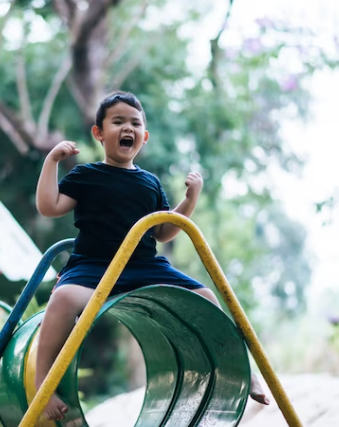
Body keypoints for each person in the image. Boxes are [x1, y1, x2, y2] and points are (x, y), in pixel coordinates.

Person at [35, 91, 270, 421]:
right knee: (61, 299)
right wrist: (52, 162)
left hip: (145, 267)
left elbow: (163, 231)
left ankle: (244, 372)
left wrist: (189, 200)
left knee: (204, 295)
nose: (126, 128)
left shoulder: (149, 182)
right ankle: (42, 384)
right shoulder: (86, 176)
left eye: (134, 123)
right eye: (117, 122)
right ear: (99, 133)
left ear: (143, 137)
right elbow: (49, 207)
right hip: (94, 267)